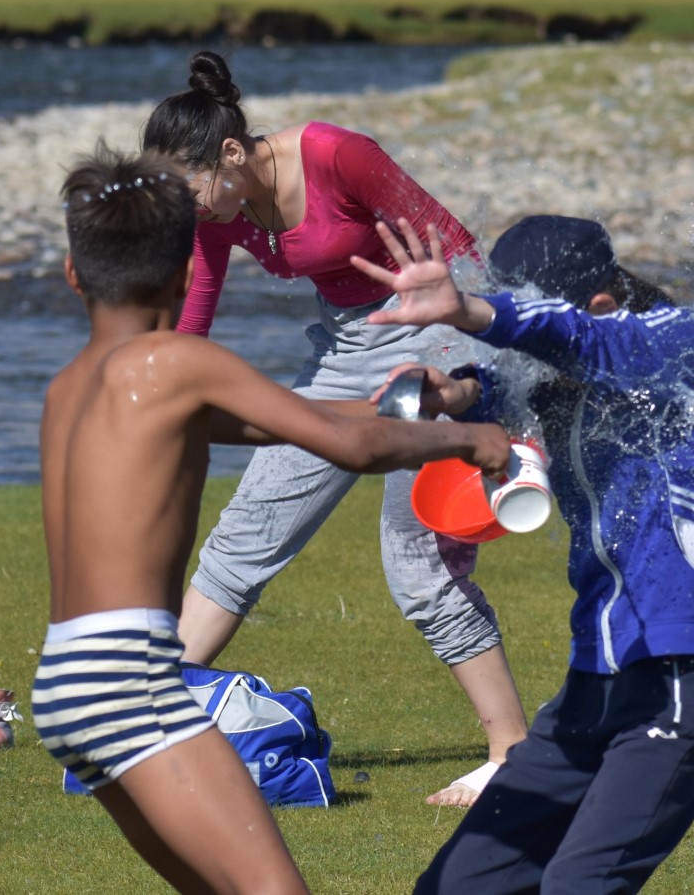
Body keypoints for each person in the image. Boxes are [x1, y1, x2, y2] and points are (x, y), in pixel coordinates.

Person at [35, 150, 511, 895]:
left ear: (73, 271)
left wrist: (424, 403)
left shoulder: (69, 388)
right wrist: (469, 438)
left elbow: (297, 424)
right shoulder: (176, 365)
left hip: (63, 686)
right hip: (133, 682)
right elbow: (351, 447)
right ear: (187, 276)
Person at [141, 49, 528, 806]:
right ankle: (145, 721)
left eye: (194, 193)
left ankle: (512, 749)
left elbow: (455, 252)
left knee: (415, 561)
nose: (194, 211)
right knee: (247, 530)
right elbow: (199, 304)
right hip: (346, 351)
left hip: (437, 338)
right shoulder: (216, 208)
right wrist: (160, 388)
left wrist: (478, 373)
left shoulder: (335, 154)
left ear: (229, 153)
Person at [345, 215, 694, 895]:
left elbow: (573, 338)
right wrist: (452, 392)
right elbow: (500, 384)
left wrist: (470, 310)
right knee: (455, 887)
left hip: (677, 681)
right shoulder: (555, 375)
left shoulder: (675, 344)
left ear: (602, 305)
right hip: (591, 688)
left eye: (529, 311)